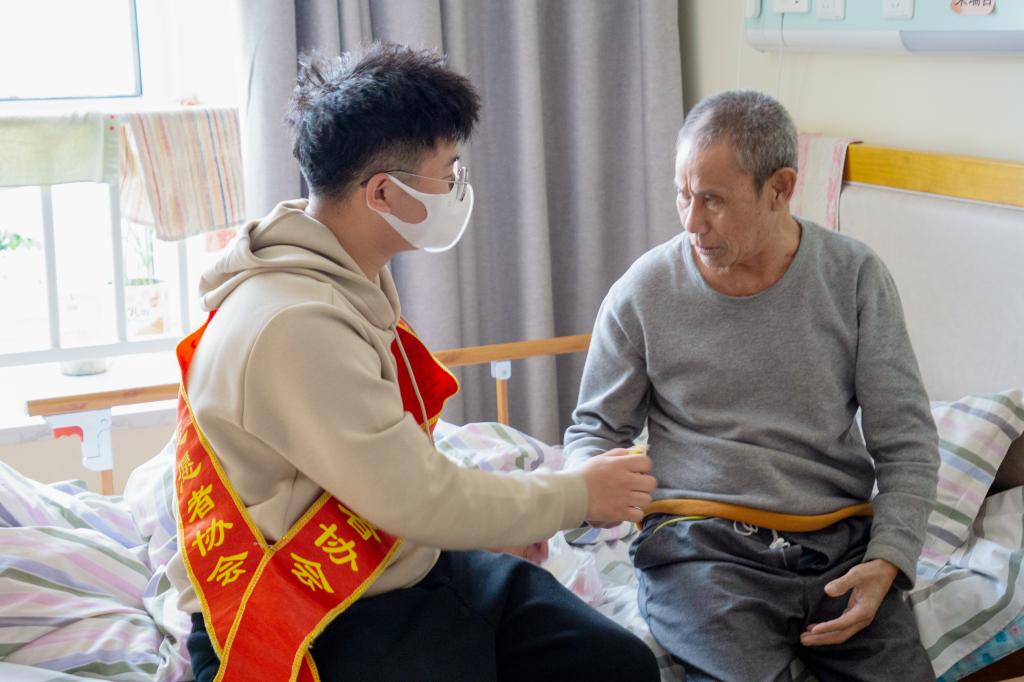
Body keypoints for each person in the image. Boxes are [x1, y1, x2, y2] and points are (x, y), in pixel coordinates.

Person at [167, 43, 660, 682]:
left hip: (398, 559)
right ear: (382, 192)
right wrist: (577, 495)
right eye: (447, 173)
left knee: (616, 663)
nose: (458, 188)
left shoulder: (339, 274)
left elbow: (395, 479)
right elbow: (418, 495)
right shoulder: (296, 322)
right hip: (317, 606)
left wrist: (485, 524)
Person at [564, 89, 939, 682]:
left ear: (780, 188)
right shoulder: (643, 290)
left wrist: (889, 560)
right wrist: (580, 491)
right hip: (698, 546)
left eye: (712, 200)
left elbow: (907, 443)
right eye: (683, 194)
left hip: (837, 547)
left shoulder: (854, 277)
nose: (691, 221)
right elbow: (594, 430)